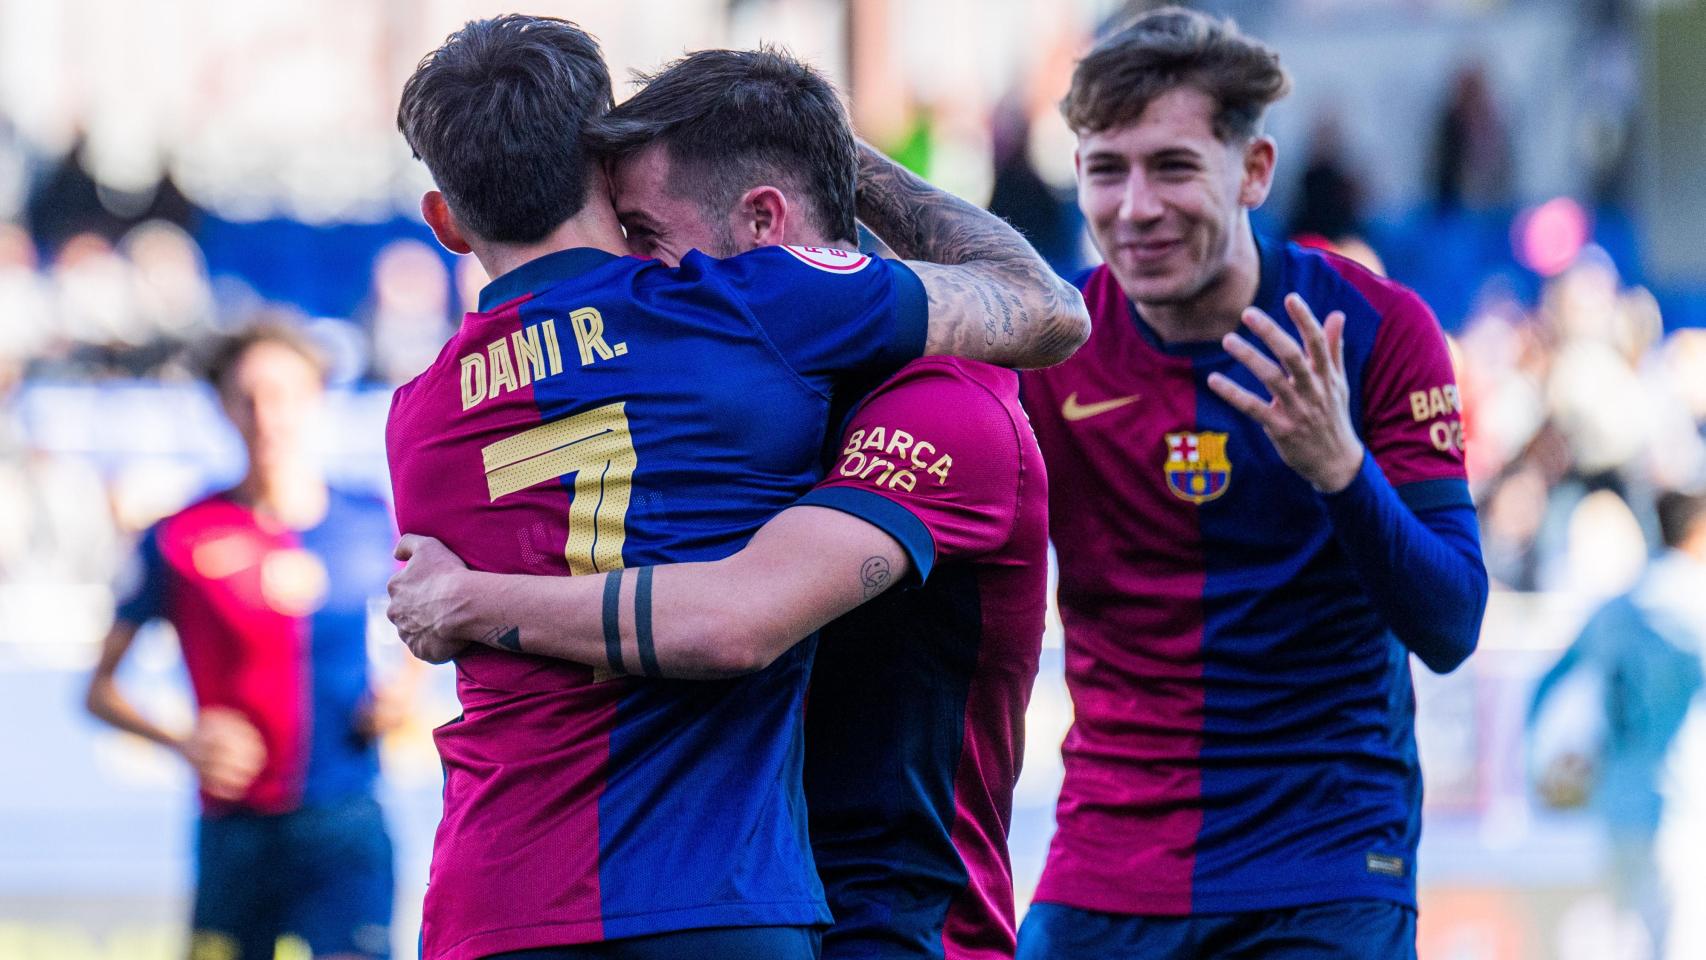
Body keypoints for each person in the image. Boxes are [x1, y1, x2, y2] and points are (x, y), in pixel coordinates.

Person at [388, 18, 1085, 960]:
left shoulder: (420, 416)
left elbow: (732, 617)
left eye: (644, 231)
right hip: (722, 899)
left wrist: (469, 600)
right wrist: (823, 144)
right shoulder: (737, 316)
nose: (637, 265)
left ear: (445, 221)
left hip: (855, 924)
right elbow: (1042, 304)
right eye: (624, 224)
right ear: (589, 174)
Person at [1014, 9, 1489, 959]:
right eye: (1106, 170)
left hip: (1325, 863)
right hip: (1113, 857)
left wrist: (1340, 470)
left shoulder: (1377, 332)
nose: (1135, 206)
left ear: (1257, 171)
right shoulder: (1051, 349)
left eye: (1174, 166)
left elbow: (1452, 626)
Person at [85, 322, 415, 960]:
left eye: (283, 394)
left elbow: (428, 624)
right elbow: (99, 690)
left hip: (345, 820)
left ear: (317, 397)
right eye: (247, 396)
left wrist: (401, 690)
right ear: (221, 406)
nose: (267, 416)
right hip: (233, 830)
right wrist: (181, 740)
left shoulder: (372, 521)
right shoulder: (179, 537)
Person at [1529, 489, 1706, 960]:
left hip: (1615, 806)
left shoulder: (1615, 609)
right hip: (1680, 807)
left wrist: (1538, 762)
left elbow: (1546, 686)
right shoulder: (1693, 609)